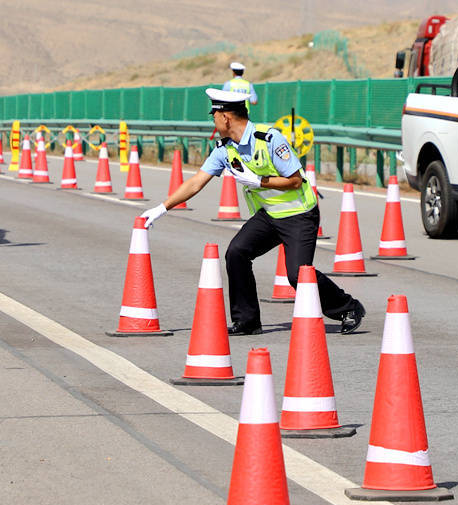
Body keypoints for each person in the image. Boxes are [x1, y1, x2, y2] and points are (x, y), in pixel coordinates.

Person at [143, 88, 364, 336]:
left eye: (213, 115)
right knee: (236, 254)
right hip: (269, 215)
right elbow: (196, 182)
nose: (213, 121)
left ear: (225, 117)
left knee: (297, 275)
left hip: (299, 215)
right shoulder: (225, 149)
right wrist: (163, 208)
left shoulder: (269, 140)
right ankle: (247, 320)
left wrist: (260, 181)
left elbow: (295, 181)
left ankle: (349, 307)